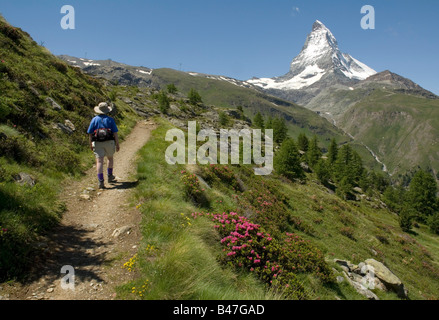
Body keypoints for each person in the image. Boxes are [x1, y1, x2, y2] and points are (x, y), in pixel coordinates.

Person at [87, 102, 120, 189]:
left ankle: (101, 182)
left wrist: (90, 143)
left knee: (99, 161)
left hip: (98, 142)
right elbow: (115, 133)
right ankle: (110, 176)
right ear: (107, 110)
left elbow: (90, 133)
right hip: (109, 142)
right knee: (110, 158)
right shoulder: (110, 120)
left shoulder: (94, 120)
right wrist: (117, 144)